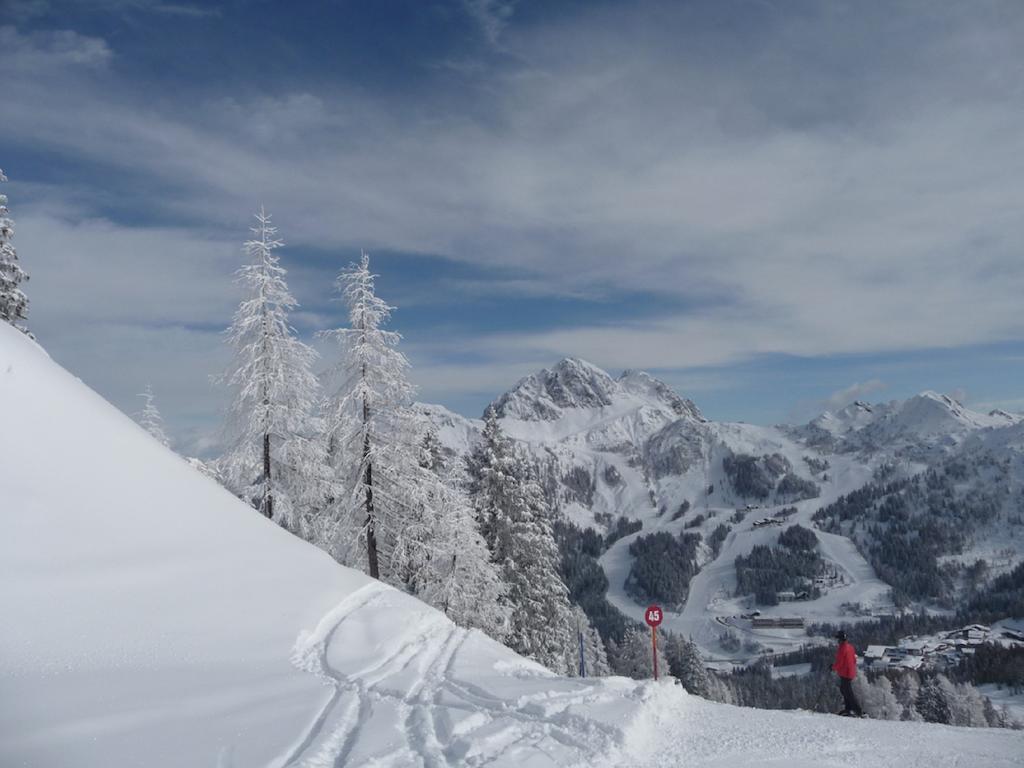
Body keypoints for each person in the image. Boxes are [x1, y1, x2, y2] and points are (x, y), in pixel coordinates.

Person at [831, 630, 863, 716]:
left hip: (845, 673)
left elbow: (840, 662)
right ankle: (848, 709)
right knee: (844, 690)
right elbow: (854, 659)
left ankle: (858, 711)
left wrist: (832, 667)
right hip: (850, 672)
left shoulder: (842, 648)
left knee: (848, 692)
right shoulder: (850, 647)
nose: (837, 641)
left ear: (840, 639)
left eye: (838, 639)